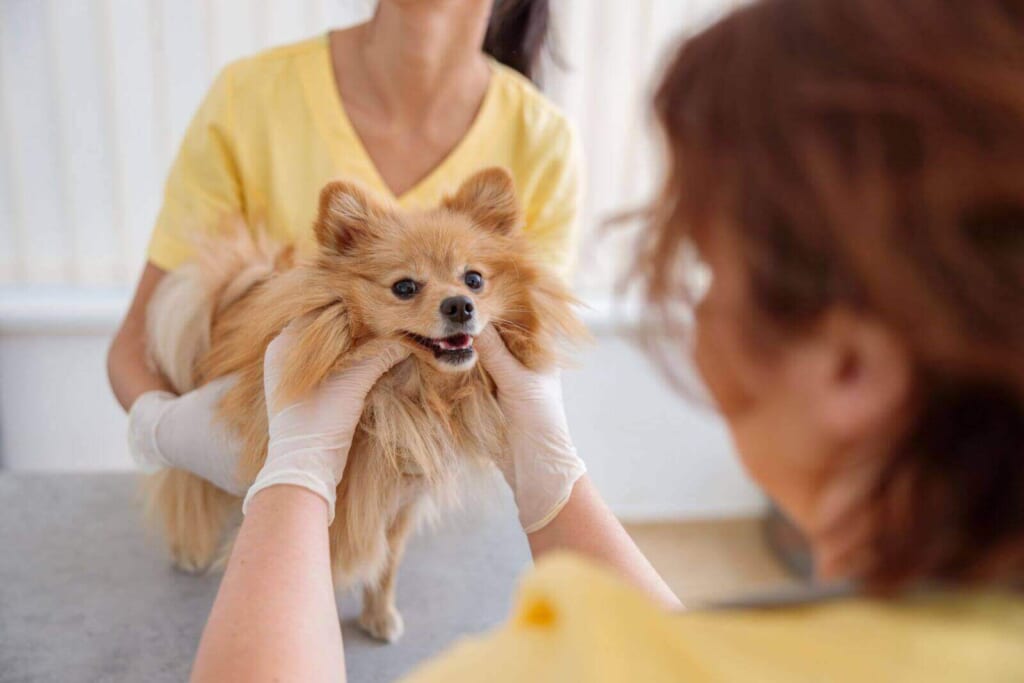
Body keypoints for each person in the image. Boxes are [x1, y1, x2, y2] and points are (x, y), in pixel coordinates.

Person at [177, 0, 1024, 679]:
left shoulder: (556, 661)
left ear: (851, 366)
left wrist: (293, 478)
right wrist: (558, 488)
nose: (692, 310)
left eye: (707, 271)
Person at [107, 0, 676, 646]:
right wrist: (166, 429)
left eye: (470, 283)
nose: (456, 300)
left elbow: (524, 334)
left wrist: (549, 470)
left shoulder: (542, 139)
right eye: (407, 287)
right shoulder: (249, 99)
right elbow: (134, 345)